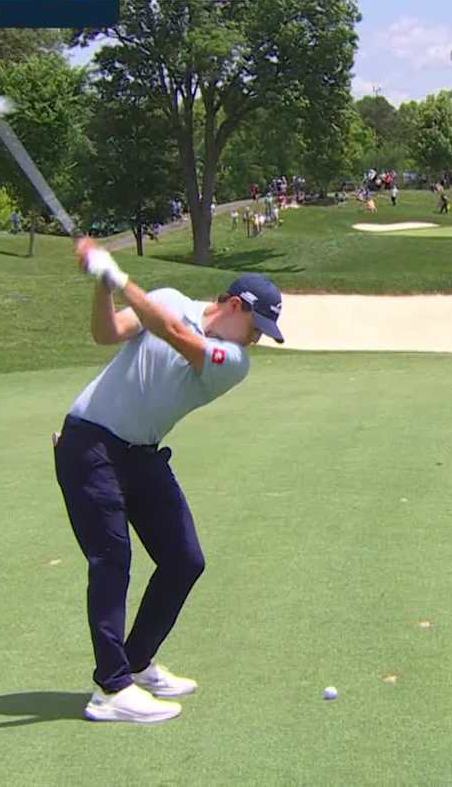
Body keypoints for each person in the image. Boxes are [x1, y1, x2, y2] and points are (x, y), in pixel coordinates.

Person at [54, 240, 284, 723]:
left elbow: (177, 334)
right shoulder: (170, 297)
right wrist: (104, 286)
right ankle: (112, 689)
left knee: (184, 560)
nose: (257, 340)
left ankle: (136, 661)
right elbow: (108, 332)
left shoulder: (232, 361)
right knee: (112, 560)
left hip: (141, 456)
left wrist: (120, 278)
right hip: (89, 445)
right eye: (257, 328)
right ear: (235, 305)